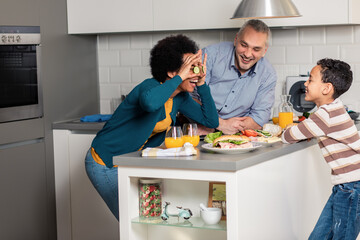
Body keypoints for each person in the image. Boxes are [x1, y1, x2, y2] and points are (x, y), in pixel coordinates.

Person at [85, 35, 219, 220]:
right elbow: (150, 104)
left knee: (149, 219)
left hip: (130, 163)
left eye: (196, 67)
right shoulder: (149, 88)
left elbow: (211, 121)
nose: (196, 72)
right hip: (105, 163)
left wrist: (202, 83)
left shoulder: (180, 97)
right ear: (172, 72)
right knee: (132, 222)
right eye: (191, 68)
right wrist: (181, 75)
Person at [282, 58, 360, 239]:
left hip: (352, 187)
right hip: (345, 187)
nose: (305, 83)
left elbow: (289, 136)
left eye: (310, 79)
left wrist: (287, 130)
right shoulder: (334, 109)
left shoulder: (324, 115)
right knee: (318, 236)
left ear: (326, 88)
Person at [191, 19, 277, 135]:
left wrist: (229, 127)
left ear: (264, 51)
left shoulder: (268, 74)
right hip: (197, 132)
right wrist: (220, 124)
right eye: (244, 45)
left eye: (256, 49)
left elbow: (259, 118)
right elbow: (188, 97)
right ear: (236, 40)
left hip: (238, 137)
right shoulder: (210, 55)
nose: (247, 54)